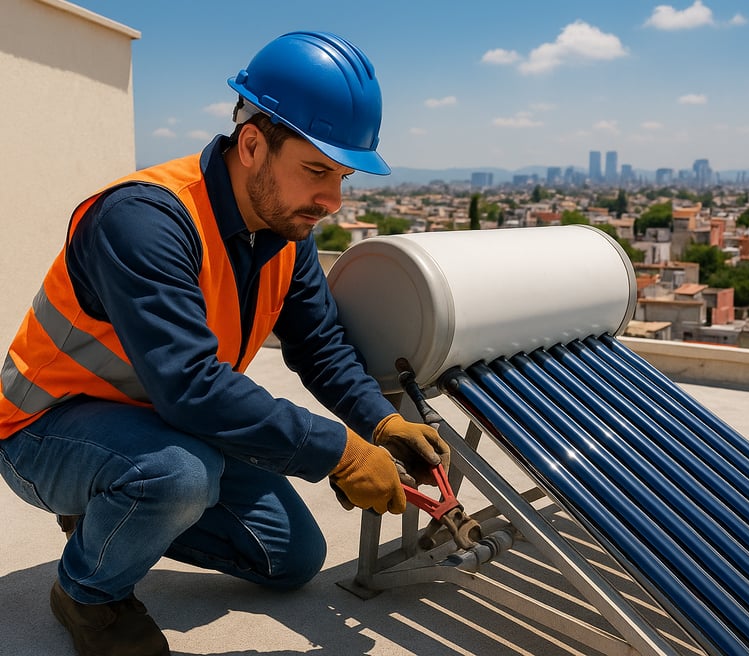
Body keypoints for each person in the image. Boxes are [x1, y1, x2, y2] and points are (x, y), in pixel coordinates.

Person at [0, 31, 449, 656]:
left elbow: (318, 345)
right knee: (178, 475)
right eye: (316, 170)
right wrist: (338, 453)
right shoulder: (145, 220)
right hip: (44, 427)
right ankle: (86, 594)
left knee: (290, 560)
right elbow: (189, 385)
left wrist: (379, 423)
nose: (332, 200)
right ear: (253, 144)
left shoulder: (287, 234)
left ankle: (106, 515)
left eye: (342, 176)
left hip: (158, 420)